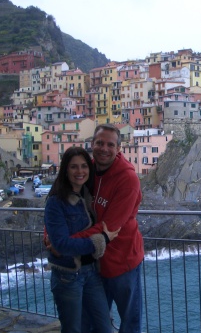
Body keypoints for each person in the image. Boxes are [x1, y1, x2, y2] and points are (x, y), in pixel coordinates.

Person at [70, 123, 144, 333]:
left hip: (123, 262)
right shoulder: (86, 171)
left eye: (110, 144)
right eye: (99, 143)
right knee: (91, 321)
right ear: (92, 144)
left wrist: (66, 242)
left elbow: (108, 227)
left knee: (129, 322)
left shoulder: (128, 179)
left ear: (119, 148)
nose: (104, 148)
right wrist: (52, 233)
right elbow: (60, 202)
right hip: (94, 262)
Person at [44, 146, 120, 333]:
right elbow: (62, 244)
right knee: (73, 330)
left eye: (84, 166)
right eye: (74, 167)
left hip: (91, 272)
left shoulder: (87, 195)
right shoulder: (55, 202)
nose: (80, 171)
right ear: (65, 170)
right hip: (67, 275)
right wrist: (100, 240)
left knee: (104, 327)